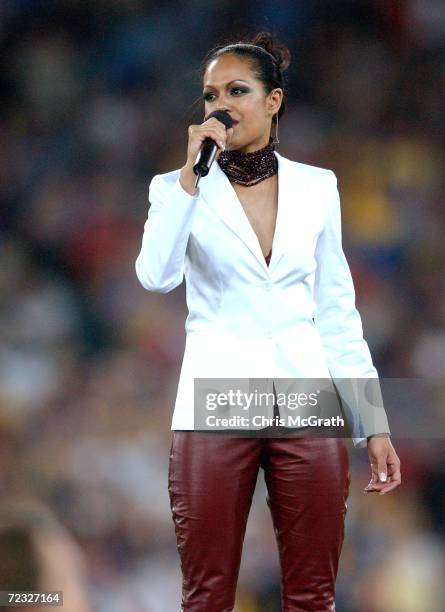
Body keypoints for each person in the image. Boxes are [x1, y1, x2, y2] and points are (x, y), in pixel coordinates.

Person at [135, 31, 401, 612]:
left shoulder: (317, 187)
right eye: (209, 96)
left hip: (306, 399)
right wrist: (188, 178)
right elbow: (155, 277)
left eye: (237, 90)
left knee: (312, 596)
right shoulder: (177, 189)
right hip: (215, 402)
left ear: (273, 101)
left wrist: (372, 422)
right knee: (207, 596)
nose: (220, 106)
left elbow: (336, 311)